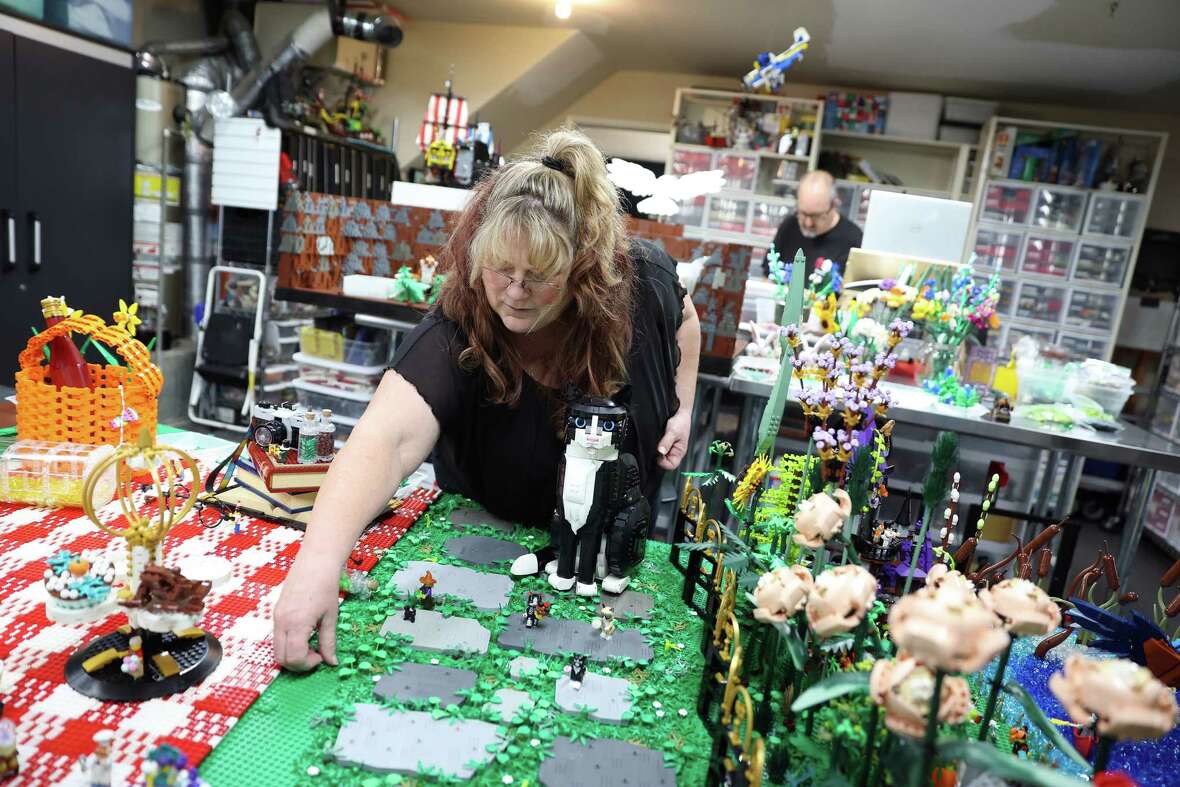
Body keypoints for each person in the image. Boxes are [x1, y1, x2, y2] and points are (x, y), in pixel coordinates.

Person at [273, 128, 701, 671]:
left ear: (582, 269)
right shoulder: (461, 326)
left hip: (608, 559)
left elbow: (686, 322)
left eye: (540, 275)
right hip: (486, 551)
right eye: (502, 269)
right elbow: (386, 440)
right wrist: (316, 568)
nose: (515, 292)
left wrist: (683, 407)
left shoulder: (642, 280)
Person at [766, 170, 862, 278]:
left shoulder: (853, 240)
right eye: (803, 213)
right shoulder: (789, 226)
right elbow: (768, 275)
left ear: (834, 205)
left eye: (816, 216)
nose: (808, 223)